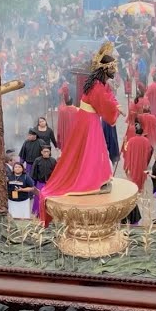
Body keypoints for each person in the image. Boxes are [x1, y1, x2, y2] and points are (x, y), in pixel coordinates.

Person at [38, 47, 121, 223]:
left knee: (92, 149)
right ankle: (93, 179)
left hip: (87, 118)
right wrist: (115, 108)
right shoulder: (98, 87)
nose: (115, 70)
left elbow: (106, 97)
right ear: (105, 69)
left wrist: (113, 103)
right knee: (93, 150)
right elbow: (104, 106)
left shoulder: (97, 84)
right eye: (113, 67)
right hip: (90, 120)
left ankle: (99, 177)